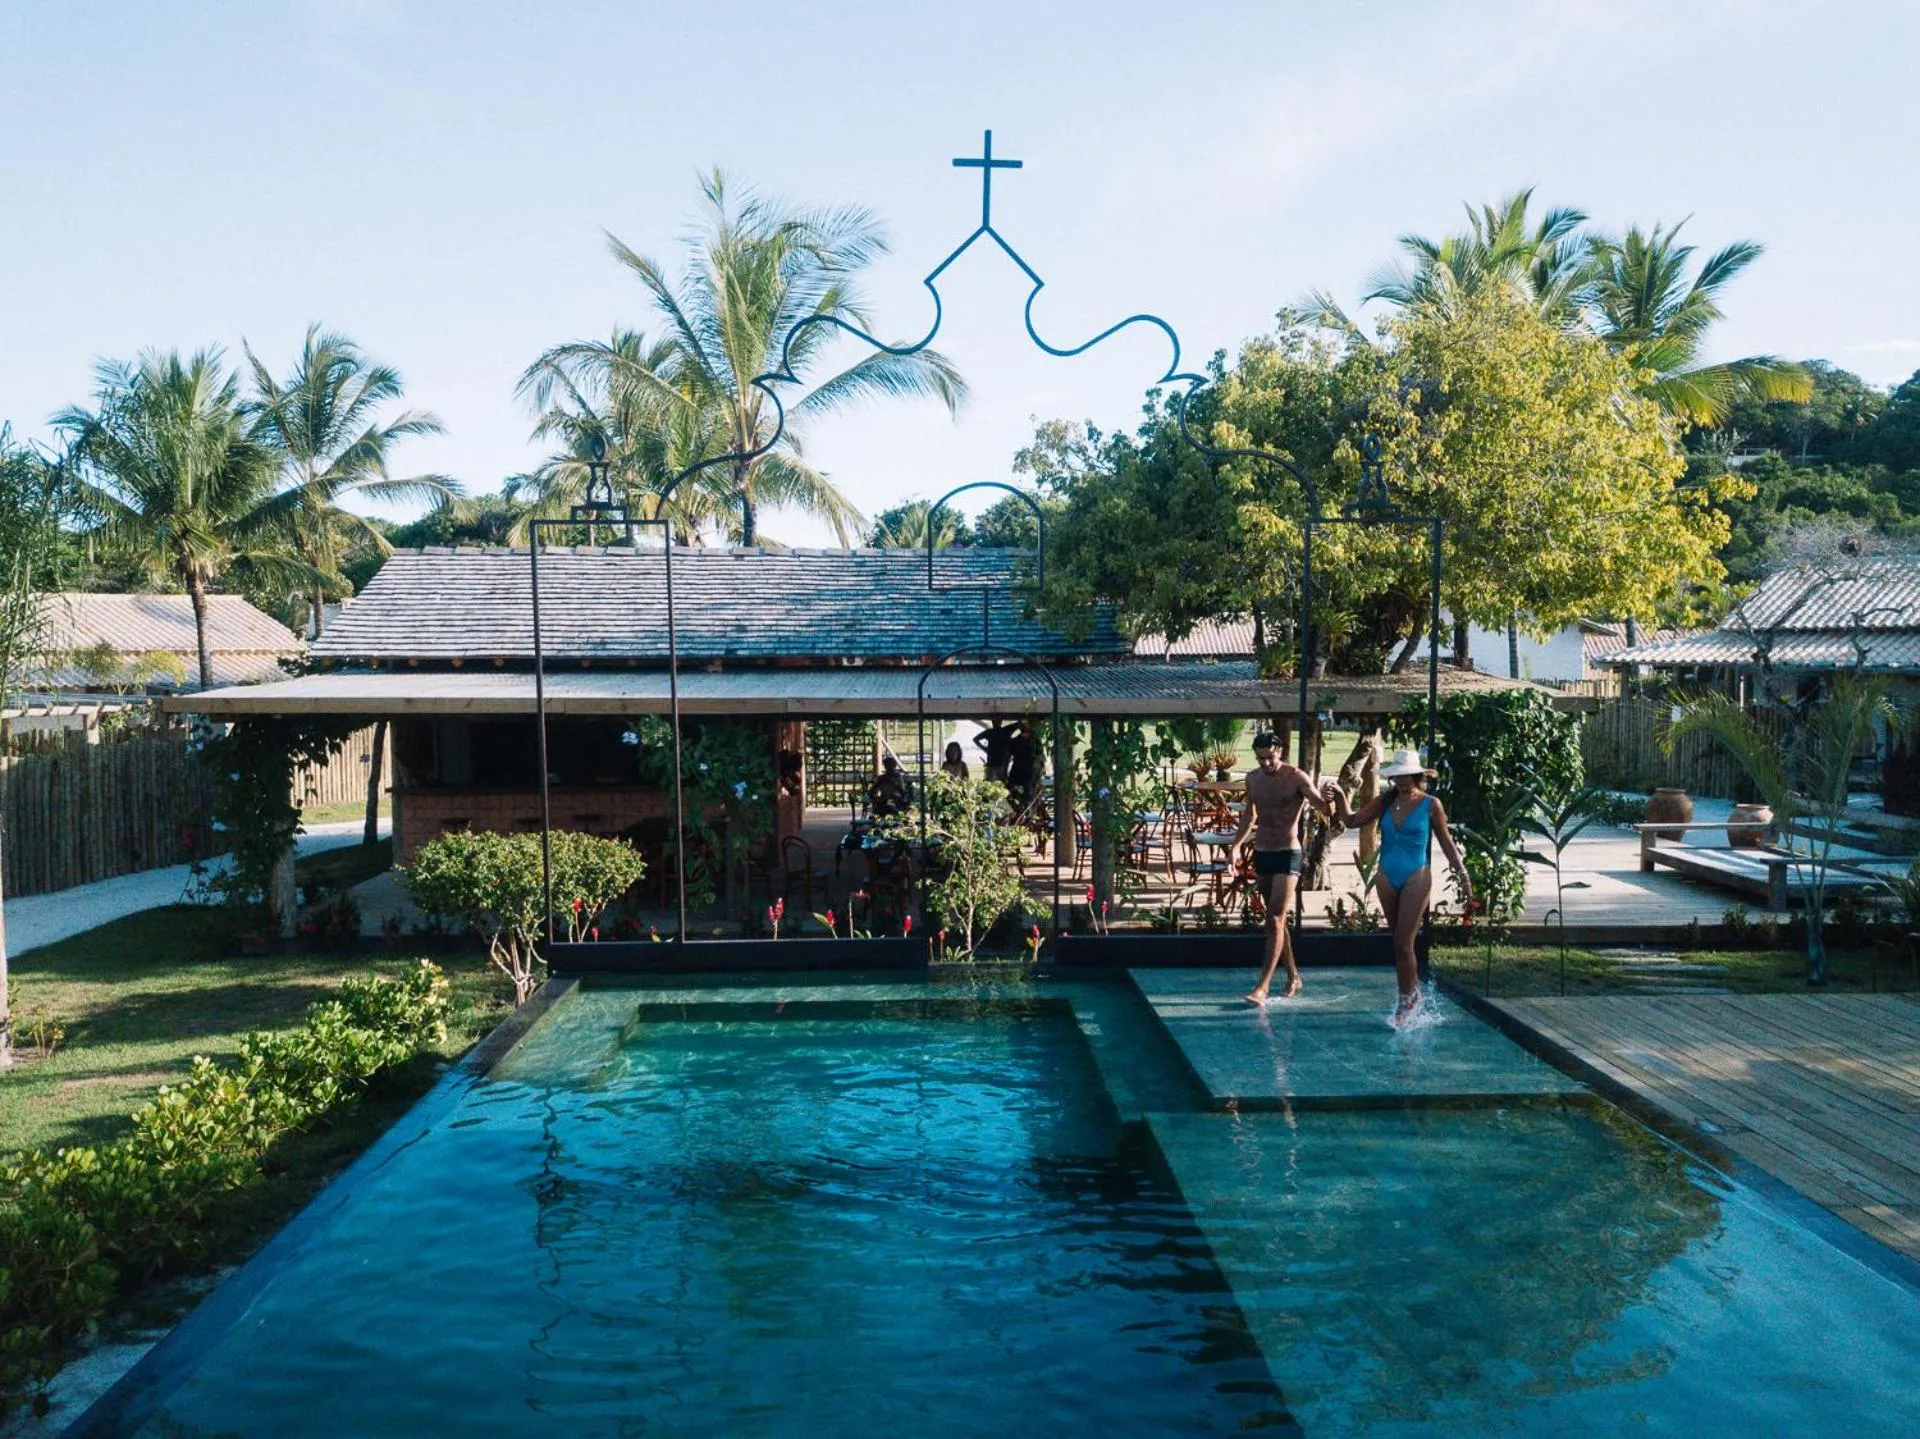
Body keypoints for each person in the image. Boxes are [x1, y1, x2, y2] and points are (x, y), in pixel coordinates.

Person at [1322, 748, 1471, 1024]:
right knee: (1399, 943)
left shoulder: (1430, 804)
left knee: (1404, 942)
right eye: (1396, 776)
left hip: (1417, 875)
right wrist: (1341, 796)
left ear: (1417, 775)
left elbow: (1446, 841)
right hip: (1387, 876)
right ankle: (1409, 995)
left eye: (1405, 776)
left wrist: (1462, 873)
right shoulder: (1386, 801)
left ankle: (1408, 1002)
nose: (1401, 781)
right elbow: (1352, 820)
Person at [1231, 732, 1335, 1005]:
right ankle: (1294, 977)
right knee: (1275, 920)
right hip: (1263, 851)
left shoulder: (1296, 777)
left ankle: (1262, 987)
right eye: (1260, 758)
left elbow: (1322, 807)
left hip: (1289, 852)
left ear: (1281, 751)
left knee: (1276, 918)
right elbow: (1249, 816)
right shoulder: (1252, 778)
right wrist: (1234, 846)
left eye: (1270, 757)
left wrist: (1330, 798)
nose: (1265, 763)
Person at [1005, 720, 1040, 810]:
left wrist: (1039, 773)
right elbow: (1007, 758)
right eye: (1022, 725)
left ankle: (1026, 814)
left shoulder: (1035, 741)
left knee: (1028, 795)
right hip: (1017, 771)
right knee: (1010, 793)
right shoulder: (1014, 741)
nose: (1024, 727)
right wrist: (1005, 772)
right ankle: (1017, 812)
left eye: (1026, 725)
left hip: (1029, 772)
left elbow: (1040, 758)